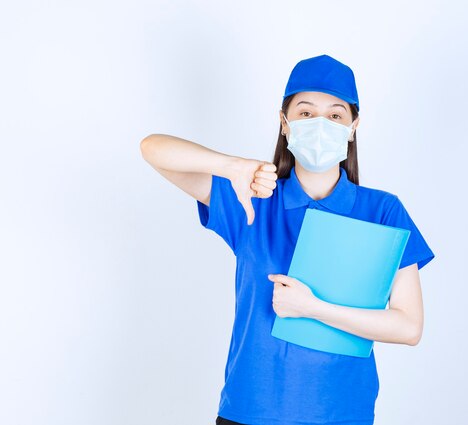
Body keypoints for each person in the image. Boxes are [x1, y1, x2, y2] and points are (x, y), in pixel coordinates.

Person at [140, 54, 435, 425]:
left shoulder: (382, 212)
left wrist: (314, 308)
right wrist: (232, 168)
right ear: (285, 123)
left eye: (336, 115)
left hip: (340, 413)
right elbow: (152, 149)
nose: (321, 124)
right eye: (306, 113)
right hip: (250, 411)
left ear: (353, 126)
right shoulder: (255, 199)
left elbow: (409, 327)